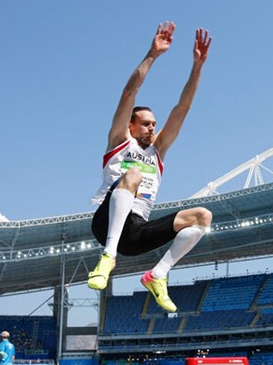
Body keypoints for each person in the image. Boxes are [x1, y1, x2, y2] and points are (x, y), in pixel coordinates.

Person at [88, 21, 213, 313]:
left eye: (154, 124)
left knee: (202, 216)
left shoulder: (159, 151)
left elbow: (182, 109)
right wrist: (152, 54)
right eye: (145, 123)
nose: (151, 128)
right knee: (133, 174)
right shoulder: (120, 141)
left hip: (135, 234)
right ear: (131, 125)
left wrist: (197, 66)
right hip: (106, 223)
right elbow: (128, 93)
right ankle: (107, 258)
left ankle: (157, 275)